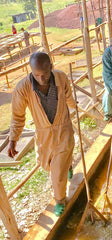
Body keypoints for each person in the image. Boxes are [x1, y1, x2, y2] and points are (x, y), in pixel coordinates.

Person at [8, 52, 76, 217]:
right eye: (36, 75)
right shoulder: (23, 88)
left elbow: (68, 95)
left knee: (57, 172)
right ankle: (67, 166)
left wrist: (74, 105)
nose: (41, 78)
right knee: (47, 164)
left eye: (44, 74)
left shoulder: (60, 77)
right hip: (44, 134)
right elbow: (17, 116)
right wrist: (13, 140)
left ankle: (59, 199)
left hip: (63, 128)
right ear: (31, 71)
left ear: (51, 67)